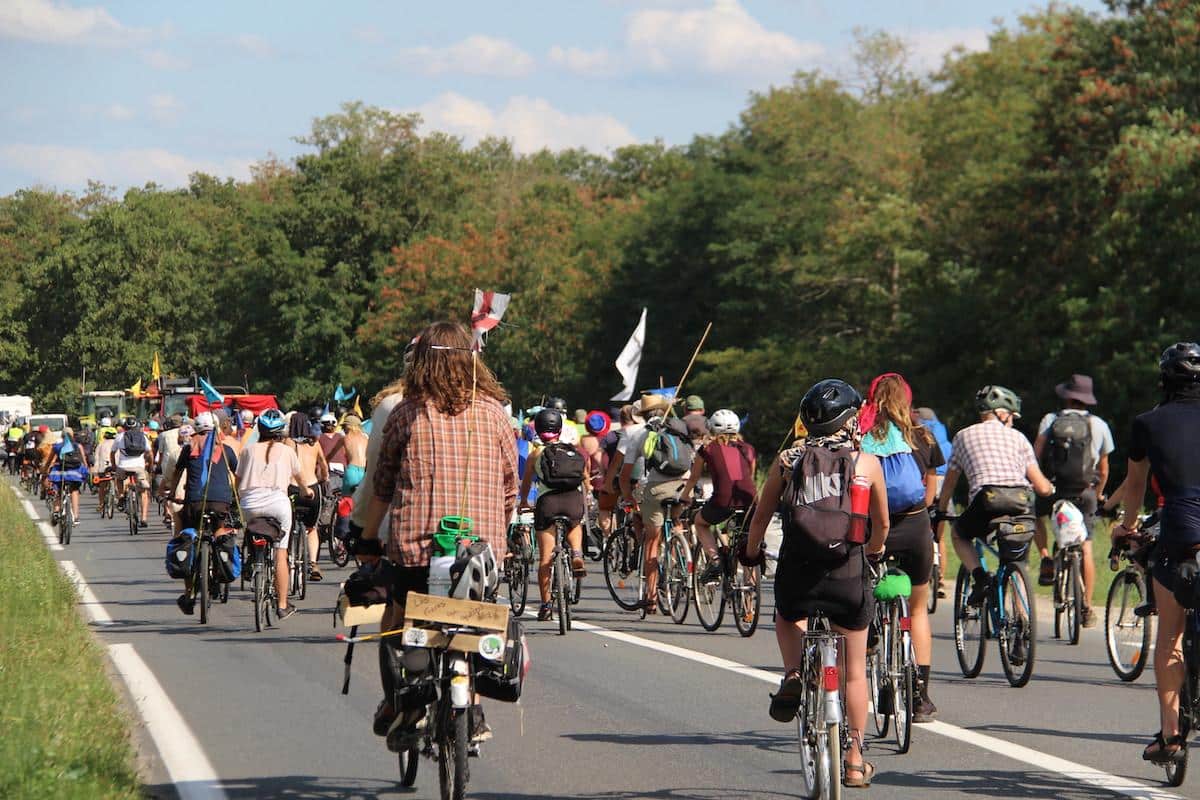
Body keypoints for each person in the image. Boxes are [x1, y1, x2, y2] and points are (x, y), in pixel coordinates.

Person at [358, 320, 518, 742]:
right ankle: (474, 710)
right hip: (481, 553)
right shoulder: (496, 414)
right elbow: (510, 487)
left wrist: (367, 538)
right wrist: (498, 538)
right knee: (475, 622)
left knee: (397, 619)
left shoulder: (406, 412)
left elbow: (383, 485)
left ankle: (402, 702)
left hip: (416, 551)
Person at [744, 379, 889, 789]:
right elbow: (881, 525)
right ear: (851, 421)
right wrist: (873, 551)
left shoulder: (787, 460)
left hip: (799, 574)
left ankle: (793, 673)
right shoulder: (865, 463)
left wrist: (750, 553)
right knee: (854, 673)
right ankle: (855, 759)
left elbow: (760, 517)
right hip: (847, 576)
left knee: (788, 615)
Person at [1113, 343, 1200, 764]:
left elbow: (1135, 486)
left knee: (1170, 635)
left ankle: (1171, 736)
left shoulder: (1147, 423)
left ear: (1164, 380)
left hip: (1181, 526)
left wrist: (1127, 527)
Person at [859, 374, 942, 722]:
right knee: (918, 609)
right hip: (914, 526)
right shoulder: (923, 436)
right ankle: (920, 697)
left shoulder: (863, 436)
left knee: (861, 591)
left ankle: (871, 635)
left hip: (874, 529)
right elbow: (930, 494)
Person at [935, 386, 1055, 611]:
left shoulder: (962, 436)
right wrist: (1050, 489)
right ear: (1001, 413)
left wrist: (941, 510)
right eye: (1011, 417)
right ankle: (1022, 618)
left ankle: (980, 578)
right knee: (1017, 561)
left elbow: (950, 482)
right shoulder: (1018, 438)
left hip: (986, 501)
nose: (1012, 422)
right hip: (1021, 501)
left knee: (959, 534)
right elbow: (1041, 486)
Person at [1032, 374, 1115, 628]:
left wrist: (1040, 483)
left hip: (1054, 490)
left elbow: (1035, 455)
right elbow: (1104, 469)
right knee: (1086, 546)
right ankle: (1087, 606)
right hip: (1084, 492)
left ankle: (1046, 557)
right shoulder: (1098, 425)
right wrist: (1098, 493)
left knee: (1034, 515)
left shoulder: (1051, 420)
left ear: (1067, 397)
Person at [162, 412, 240, 615]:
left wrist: (172, 493)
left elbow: (177, 473)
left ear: (196, 430)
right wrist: (235, 496)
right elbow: (237, 473)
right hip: (221, 503)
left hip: (194, 504)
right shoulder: (225, 449)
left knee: (187, 537)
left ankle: (189, 595)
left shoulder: (189, 448)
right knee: (219, 531)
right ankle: (220, 571)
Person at [236, 409, 310, 621]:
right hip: (278, 505)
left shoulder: (248, 451)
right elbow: (300, 479)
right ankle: (282, 605)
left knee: (251, 530)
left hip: (249, 505)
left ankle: (252, 559)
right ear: (280, 431)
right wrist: (306, 491)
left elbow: (238, 480)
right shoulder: (287, 451)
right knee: (280, 554)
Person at [616, 393, 686, 611]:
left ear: (643, 415)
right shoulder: (678, 429)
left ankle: (652, 597)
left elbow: (625, 476)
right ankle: (679, 553)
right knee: (675, 523)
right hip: (682, 487)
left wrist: (628, 497)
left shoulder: (640, 435)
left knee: (652, 541)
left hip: (656, 488)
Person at [519, 408, 588, 621]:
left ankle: (546, 605)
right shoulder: (571, 450)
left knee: (545, 558)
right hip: (572, 500)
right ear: (559, 429)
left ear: (538, 430)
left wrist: (523, 502)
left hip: (547, 504)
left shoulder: (536, 454)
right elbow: (584, 477)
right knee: (575, 524)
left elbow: (526, 482)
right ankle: (577, 553)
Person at [680, 409, 756, 581]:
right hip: (750, 501)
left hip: (723, 500)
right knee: (746, 544)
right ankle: (750, 594)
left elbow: (694, 477)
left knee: (700, 522)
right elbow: (750, 476)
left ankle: (715, 561)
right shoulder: (749, 449)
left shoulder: (707, 449)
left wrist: (685, 495)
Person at [286, 412, 329, 582]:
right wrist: (324, 478)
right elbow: (324, 465)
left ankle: (287, 559)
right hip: (312, 489)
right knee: (312, 528)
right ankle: (313, 563)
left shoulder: (288, 443)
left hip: (293, 489)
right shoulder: (315, 443)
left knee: (288, 526)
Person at [112, 417, 153, 528]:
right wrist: (150, 466)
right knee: (143, 492)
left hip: (123, 467)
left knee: (119, 479)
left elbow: (112, 453)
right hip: (139, 467)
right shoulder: (143, 436)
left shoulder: (119, 436)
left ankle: (121, 496)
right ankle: (144, 518)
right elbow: (150, 453)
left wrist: (114, 466)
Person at [44, 427, 89, 526]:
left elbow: (49, 461)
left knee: (59, 491)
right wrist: (85, 472)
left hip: (60, 474)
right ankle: (75, 517)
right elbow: (84, 461)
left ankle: (56, 511)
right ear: (72, 435)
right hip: (75, 474)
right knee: (74, 491)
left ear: (62, 436)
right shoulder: (78, 446)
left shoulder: (57, 446)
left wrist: (45, 471)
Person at [91, 428, 118, 513]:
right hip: (115, 467)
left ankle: (101, 504)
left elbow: (96, 459)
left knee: (102, 486)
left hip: (103, 469)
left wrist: (95, 472)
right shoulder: (117, 444)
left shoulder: (101, 444)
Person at [341, 414, 368, 494]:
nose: (343, 429)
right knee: (362, 500)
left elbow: (334, 453)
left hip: (351, 471)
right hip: (364, 473)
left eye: (344, 427)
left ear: (349, 427)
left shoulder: (345, 438)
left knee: (347, 500)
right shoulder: (366, 438)